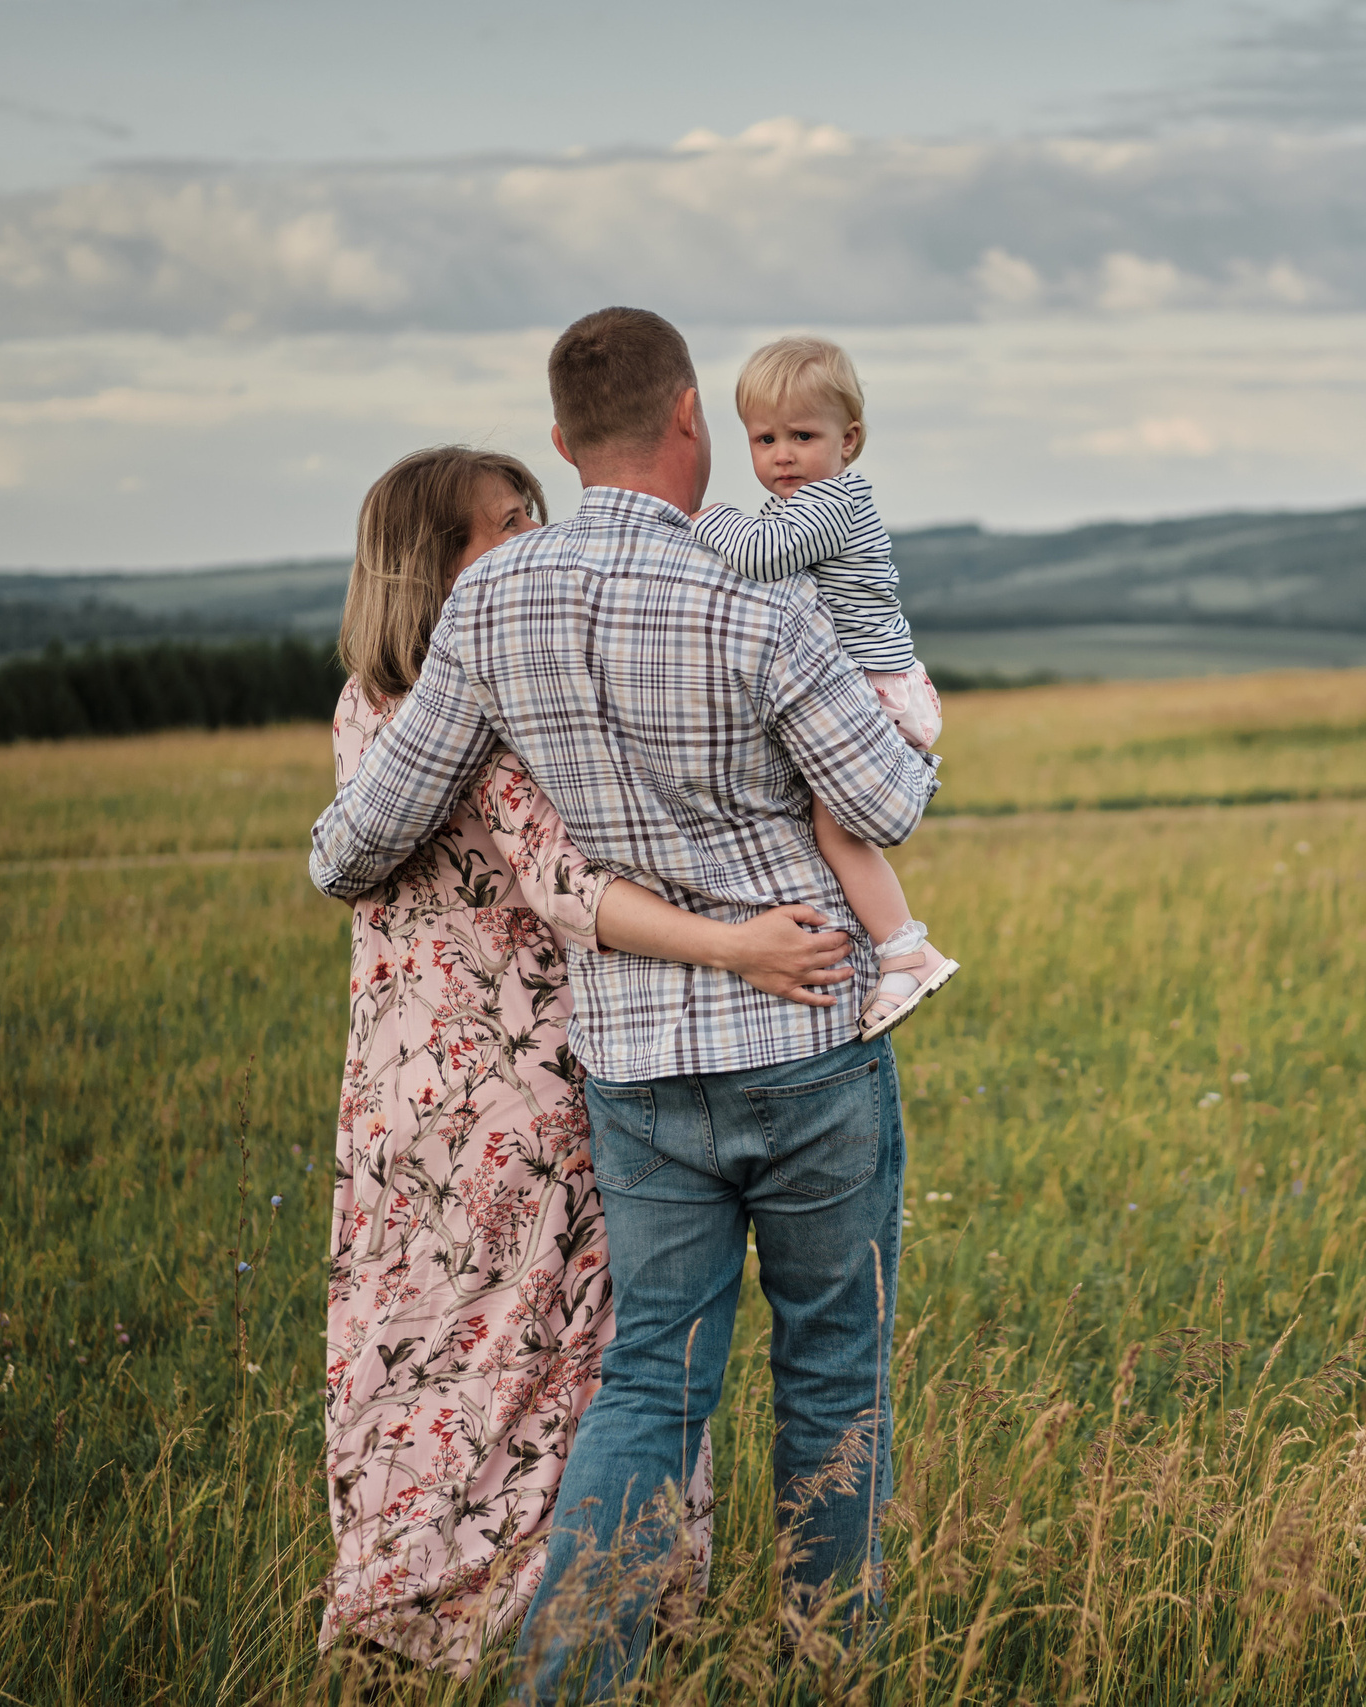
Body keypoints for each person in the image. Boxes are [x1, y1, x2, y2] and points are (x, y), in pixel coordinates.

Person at [309, 308, 938, 1702]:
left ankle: (563, 1682)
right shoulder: (755, 600)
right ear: (692, 421)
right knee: (833, 1378)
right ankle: (832, 1675)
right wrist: (903, 715)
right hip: (806, 1028)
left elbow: (367, 832)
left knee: (651, 1377)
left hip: (634, 1068)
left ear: (560, 440)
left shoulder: (487, 607)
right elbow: (889, 801)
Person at [694, 337, 959, 1040]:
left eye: (803, 436)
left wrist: (702, 515)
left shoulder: (830, 503)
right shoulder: (805, 505)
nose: (782, 454)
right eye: (765, 437)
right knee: (823, 824)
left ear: (850, 440)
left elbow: (754, 555)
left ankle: (905, 950)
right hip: (870, 681)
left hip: (873, 688)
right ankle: (893, 945)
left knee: (835, 831)